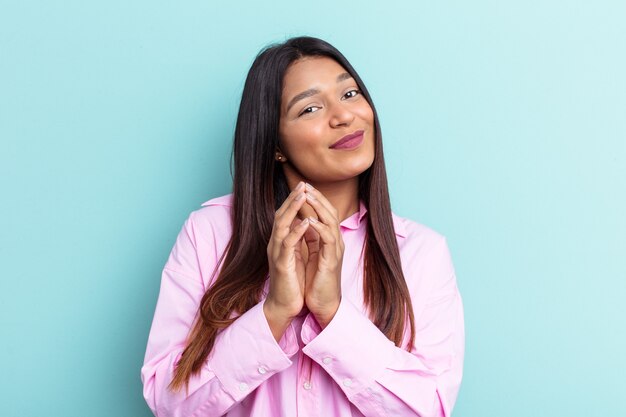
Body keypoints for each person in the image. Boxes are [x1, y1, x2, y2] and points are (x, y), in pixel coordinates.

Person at [141, 36, 465, 417]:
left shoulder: (421, 252)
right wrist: (275, 311)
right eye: (310, 107)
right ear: (275, 144)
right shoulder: (209, 233)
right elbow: (168, 401)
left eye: (349, 94)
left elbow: (429, 410)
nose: (343, 116)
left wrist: (332, 314)